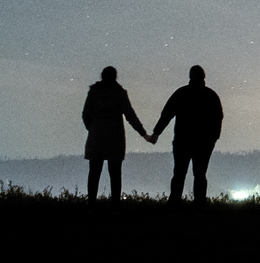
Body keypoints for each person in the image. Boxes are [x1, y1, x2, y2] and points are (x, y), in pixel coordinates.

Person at [150, 65, 224, 204]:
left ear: (190, 76)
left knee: (179, 174)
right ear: (204, 77)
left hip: (182, 140)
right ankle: (199, 205)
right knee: (200, 175)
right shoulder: (211, 95)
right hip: (204, 142)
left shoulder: (181, 93)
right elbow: (218, 118)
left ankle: (174, 204)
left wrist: (156, 133)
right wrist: (214, 137)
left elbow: (166, 114)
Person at [81, 66, 151, 202]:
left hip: (96, 135)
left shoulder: (93, 93)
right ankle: (115, 205)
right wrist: (144, 134)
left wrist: (92, 128)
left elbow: (85, 114)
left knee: (94, 172)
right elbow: (130, 116)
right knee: (115, 173)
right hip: (115, 136)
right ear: (115, 77)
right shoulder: (120, 93)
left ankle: (91, 205)